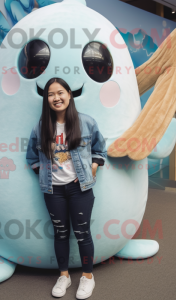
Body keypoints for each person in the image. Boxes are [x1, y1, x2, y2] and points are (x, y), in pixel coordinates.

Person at [26, 77, 107, 299]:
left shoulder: (86, 122)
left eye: (60, 92)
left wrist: (92, 169)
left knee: (82, 234)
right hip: (54, 191)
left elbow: (100, 150)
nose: (56, 98)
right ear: (46, 99)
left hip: (79, 188)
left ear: (69, 94)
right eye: (50, 94)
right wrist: (43, 174)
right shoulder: (41, 126)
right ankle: (64, 275)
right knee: (60, 234)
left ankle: (87, 277)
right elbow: (31, 156)